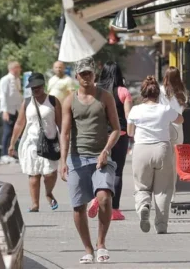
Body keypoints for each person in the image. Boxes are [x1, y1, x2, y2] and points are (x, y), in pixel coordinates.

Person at [60, 57, 120, 264]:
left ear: (95, 74)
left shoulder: (105, 97)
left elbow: (116, 129)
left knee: (104, 198)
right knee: (78, 206)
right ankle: (87, 249)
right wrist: (62, 161)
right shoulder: (69, 100)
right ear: (76, 76)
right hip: (76, 158)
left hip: (100, 157)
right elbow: (65, 133)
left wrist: (105, 151)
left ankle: (101, 243)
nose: (86, 77)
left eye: (89, 73)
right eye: (82, 74)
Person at [127, 76, 184, 234]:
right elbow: (180, 119)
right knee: (163, 190)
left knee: (142, 186)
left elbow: (130, 132)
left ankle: (144, 205)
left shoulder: (135, 110)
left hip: (141, 151)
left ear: (143, 94)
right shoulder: (164, 109)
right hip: (162, 149)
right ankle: (161, 226)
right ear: (158, 94)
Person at [8, 72, 61, 212]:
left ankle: (48, 193)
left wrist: (66, 141)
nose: (35, 90)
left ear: (43, 86)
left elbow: (61, 123)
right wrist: (12, 143)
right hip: (31, 143)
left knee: (50, 174)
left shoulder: (53, 101)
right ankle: (35, 204)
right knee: (33, 174)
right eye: (32, 88)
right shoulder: (26, 103)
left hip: (49, 142)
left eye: (37, 87)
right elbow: (19, 124)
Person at [88, 61, 133, 221]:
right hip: (119, 134)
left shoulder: (95, 89)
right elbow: (128, 116)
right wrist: (132, 132)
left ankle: (96, 197)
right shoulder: (123, 91)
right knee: (118, 171)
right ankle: (114, 209)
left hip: (99, 134)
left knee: (99, 167)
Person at [159, 66, 188, 200]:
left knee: (164, 161)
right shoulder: (183, 92)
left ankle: (163, 191)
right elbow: (183, 107)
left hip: (165, 127)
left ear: (166, 76)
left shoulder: (161, 90)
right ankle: (172, 193)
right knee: (174, 162)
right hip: (178, 127)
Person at [0, 61, 23, 159]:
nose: (20, 70)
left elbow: (18, 95)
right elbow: (2, 95)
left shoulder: (17, 80)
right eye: (18, 68)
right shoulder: (5, 80)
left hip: (17, 109)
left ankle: (13, 152)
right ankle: (4, 154)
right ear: (13, 69)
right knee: (8, 132)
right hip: (8, 110)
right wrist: (4, 110)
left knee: (17, 132)